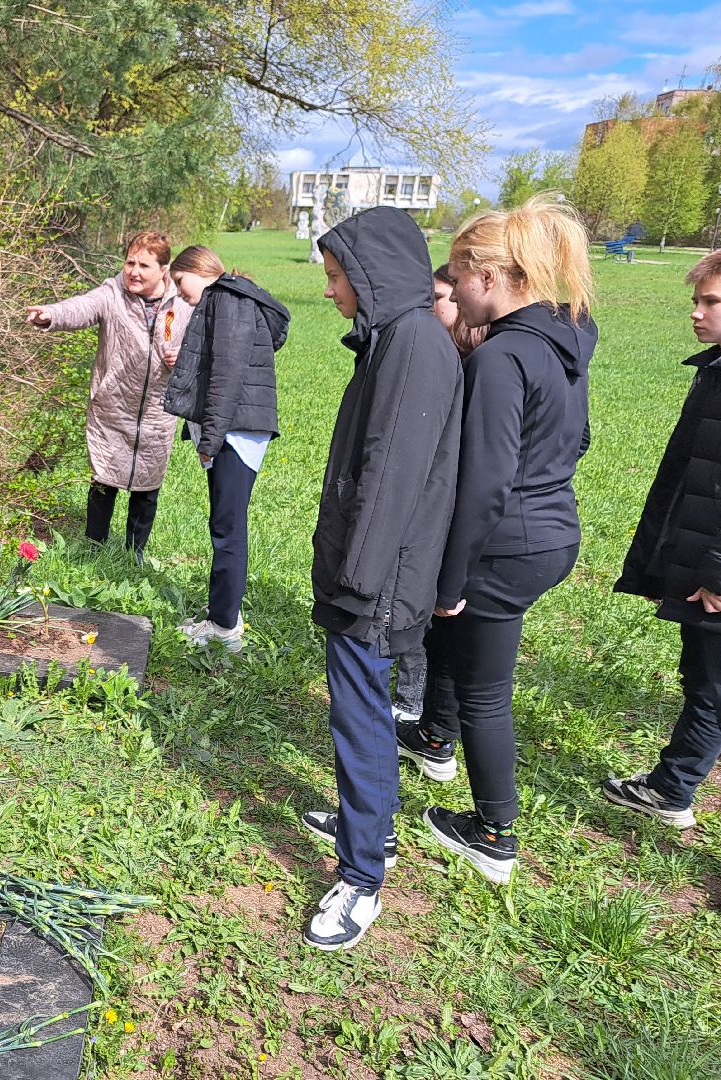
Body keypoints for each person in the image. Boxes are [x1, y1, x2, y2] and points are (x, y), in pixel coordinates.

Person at [408, 195, 596, 886]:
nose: (452, 291)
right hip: (551, 532)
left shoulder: (501, 359)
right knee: (470, 656)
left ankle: (493, 833)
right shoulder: (564, 343)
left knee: (486, 691)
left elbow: (485, 484)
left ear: (488, 277)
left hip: (506, 543)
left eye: (458, 276)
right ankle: (432, 736)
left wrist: (449, 581)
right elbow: (575, 439)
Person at [301, 206, 464, 949]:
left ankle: (362, 876)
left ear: (370, 275)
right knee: (358, 714)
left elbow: (392, 477)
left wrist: (356, 583)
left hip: (376, 582)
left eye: (338, 277)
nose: (332, 291)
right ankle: (369, 828)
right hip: (370, 574)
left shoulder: (412, 346)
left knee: (361, 718)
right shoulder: (394, 340)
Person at [604, 243, 721, 917]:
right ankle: (674, 786)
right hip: (706, 569)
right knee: (704, 683)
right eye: (695, 301)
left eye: (711, 301)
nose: (696, 313)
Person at [26, 233, 192, 557]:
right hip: (112, 406)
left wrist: (185, 356)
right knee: (104, 480)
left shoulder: (182, 303)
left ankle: (134, 556)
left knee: (147, 486)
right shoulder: (112, 293)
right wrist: (51, 314)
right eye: (130, 262)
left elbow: (202, 345)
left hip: (158, 410)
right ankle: (93, 548)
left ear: (164, 269)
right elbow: (82, 307)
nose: (134, 271)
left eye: (144, 265)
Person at [161, 246, 289, 651]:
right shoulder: (234, 298)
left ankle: (224, 628)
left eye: (181, 284)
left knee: (227, 531)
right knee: (226, 527)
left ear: (199, 270)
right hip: (240, 429)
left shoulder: (226, 299)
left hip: (235, 432)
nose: (181, 295)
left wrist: (209, 441)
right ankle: (222, 613)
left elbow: (226, 378)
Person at [389, 268, 490, 738]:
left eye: (441, 298)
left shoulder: (479, 366)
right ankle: (420, 706)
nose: (432, 307)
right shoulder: (438, 356)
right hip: (434, 504)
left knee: (428, 609)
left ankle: (415, 706)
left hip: (454, 512)